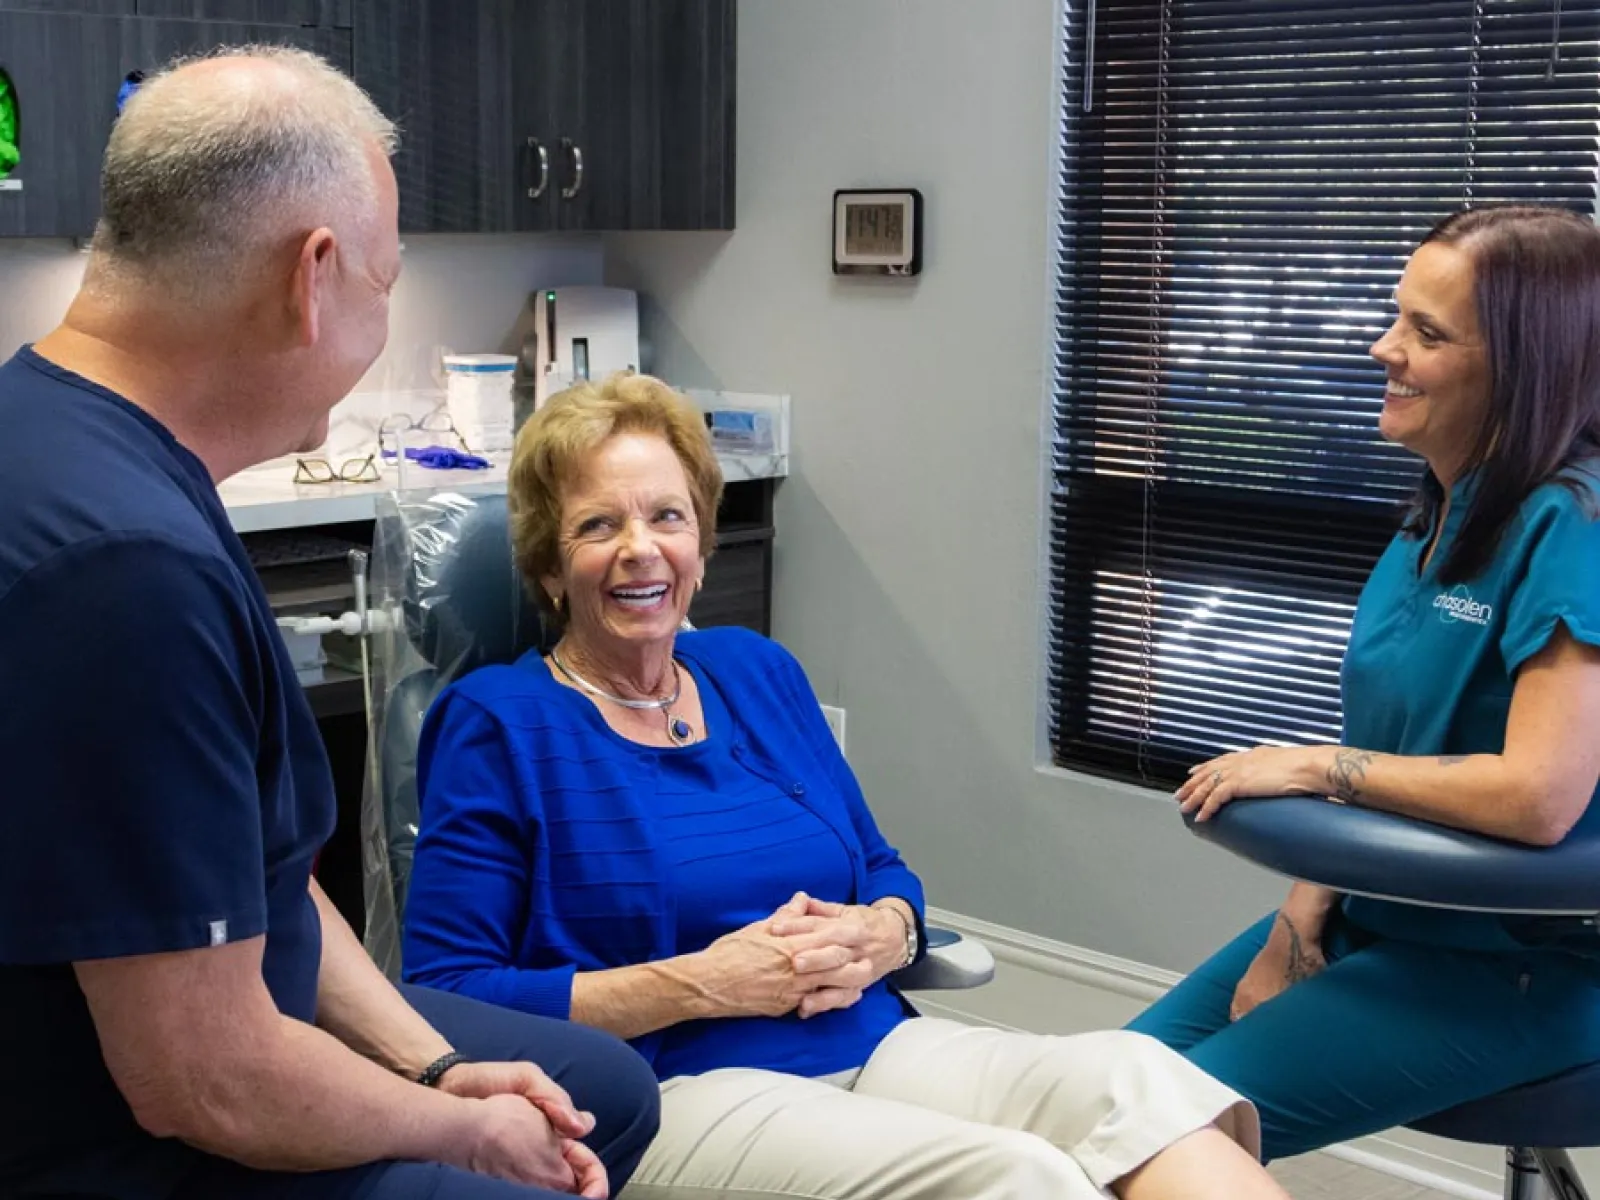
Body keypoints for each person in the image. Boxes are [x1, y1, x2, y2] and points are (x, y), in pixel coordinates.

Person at [0, 47, 660, 1199]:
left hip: (204, 1014)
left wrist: (437, 1066)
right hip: (112, 1133)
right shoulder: (127, 573)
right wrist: (455, 1133)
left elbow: (244, 865)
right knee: (527, 1162)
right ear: (312, 277)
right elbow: (200, 1082)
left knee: (601, 1085)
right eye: (384, 281)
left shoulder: (62, 431)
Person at [401, 371, 1289, 1200]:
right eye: (599, 527)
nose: (641, 550)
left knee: (1144, 1084)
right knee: (1015, 1178)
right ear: (551, 570)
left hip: (875, 1040)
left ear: (701, 546)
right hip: (674, 1088)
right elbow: (448, 994)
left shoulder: (755, 672)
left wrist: (885, 933)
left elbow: (880, 866)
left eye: (667, 517)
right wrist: (703, 984)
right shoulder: (500, 721)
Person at [1127, 204, 1600, 1161]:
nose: (1383, 348)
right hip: (1375, 914)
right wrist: (1300, 921)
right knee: (1094, 1086)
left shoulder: (1569, 527)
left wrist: (1311, 768)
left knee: (1151, 1137)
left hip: (1521, 964)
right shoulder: (1437, 513)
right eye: (1397, 317)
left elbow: (1539, 798)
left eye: (1427, 333)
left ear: (1523, 367)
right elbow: (1407, 744)